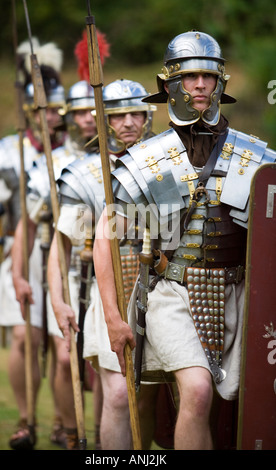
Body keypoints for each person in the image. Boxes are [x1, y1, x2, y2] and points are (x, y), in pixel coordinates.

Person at [93, 31, 276, 450]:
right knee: (196, 390)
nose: (199, 85)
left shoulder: (256, 158)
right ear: (170, 84)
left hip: (239, 293)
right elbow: (106, 238)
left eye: (207, 76)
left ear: (220, 83)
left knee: (222, 404)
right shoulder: (146, 160)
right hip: (173, 291)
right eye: (190, 76)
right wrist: (113, 318)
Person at [47, 79, 157, 450]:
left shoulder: (164, 165)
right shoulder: (87, 176)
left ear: (147, 116)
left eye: (135, 113)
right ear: (104, 121)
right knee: (116, 395)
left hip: (160, 293)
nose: (128, 122)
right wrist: (59, 301)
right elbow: (63, 245)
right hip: (108, 292)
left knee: (149, 397)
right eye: (118, 115)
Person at [0, 39, 66, 450]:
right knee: (21, 338)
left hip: (67, 253)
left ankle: (66, 423)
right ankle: (25, 419)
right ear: (30, 111)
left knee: (62, 340)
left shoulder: (79, 154)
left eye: (56, 110)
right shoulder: (4, 154)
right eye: (43, 110)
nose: (51, 118)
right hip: (20, 249)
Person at [11, 79, 100, 450]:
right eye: (79, 112)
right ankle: (69, 430)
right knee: (65, 358)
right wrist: (17, 275)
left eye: (93, 110)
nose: (88, 119)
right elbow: (28, 223)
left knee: (103, 365)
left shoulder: (124, 158)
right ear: (69, 118)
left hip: (113, 268)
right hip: (64, 267)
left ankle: (103, 439)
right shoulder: (53, 162)